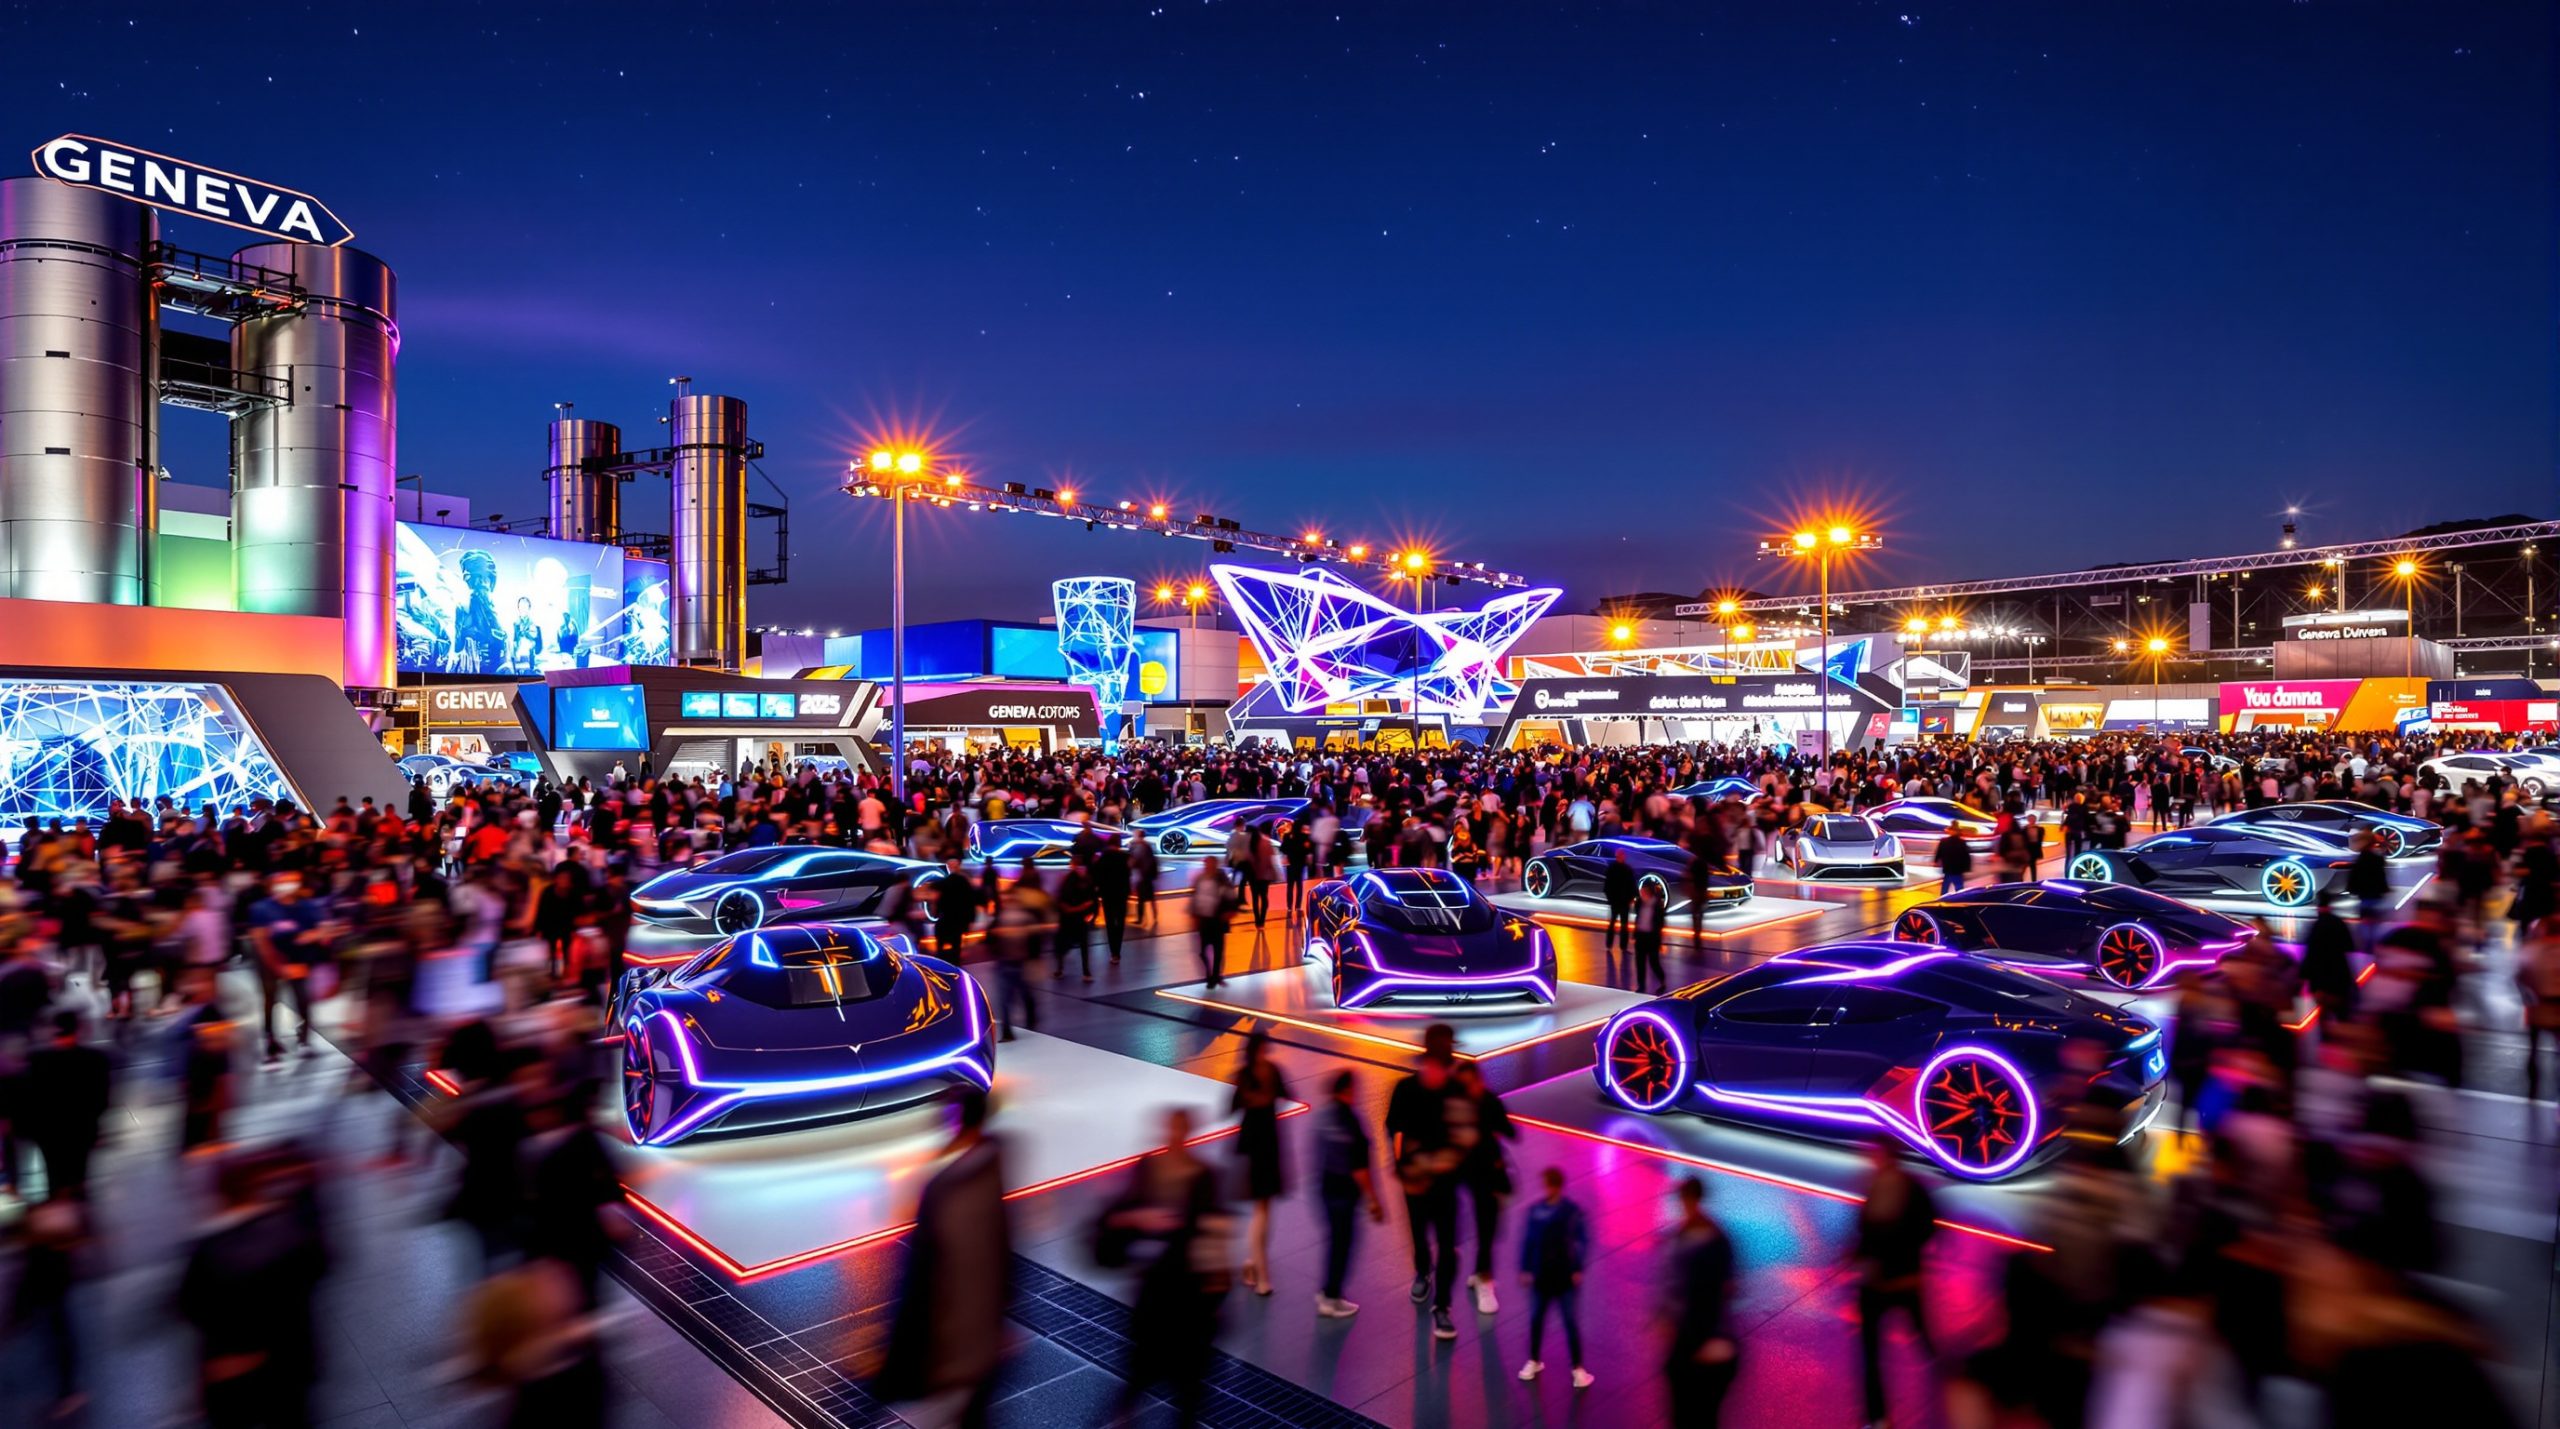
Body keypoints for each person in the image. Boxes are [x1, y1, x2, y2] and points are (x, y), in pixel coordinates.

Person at [877, 1088, 1010, 1428]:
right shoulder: (995, 1164)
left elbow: (922, 1274)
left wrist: (894, 1348)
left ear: (954, 1122)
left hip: (952, 1342)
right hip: (982, 1337)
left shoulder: (944, 1189)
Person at [1100, 1108, 1230, 1427]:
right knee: (1166, 1383)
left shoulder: (1195, 1176)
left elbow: (1213, 1237)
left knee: (1151, 1379)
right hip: (1167, 1296)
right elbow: (1213, 1235)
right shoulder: (1172, 1172)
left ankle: (1124, 1417)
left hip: (1173, 1296)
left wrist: (1215, 1287)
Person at [1852, 1140, 1939, 1429]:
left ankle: (1878, 1419)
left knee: (1874, 1353)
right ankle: (1880, 1416)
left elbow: (1870, 1232)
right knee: (1917, 1344)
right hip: (1896, 1282)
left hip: (1890, 1283)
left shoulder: (1884, 1188)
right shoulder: (1897, 1187)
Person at [1385, 1026, 1464, 1340]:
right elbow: (1392, 1128)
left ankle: (1441, 1306)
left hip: (1442, 1182)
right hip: (1418, 1181)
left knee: (1446, 1243)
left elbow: (1464, 1134)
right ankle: (1422, 1271)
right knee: (1420, 1232)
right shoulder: (1407, 1090)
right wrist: (1402, 1165)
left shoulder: (1454, 1090)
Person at [1664, 1175, 1738, 1426]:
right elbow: (1729, 1288)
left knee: (1690, 1412)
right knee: (1702, 1414)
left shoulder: (1693, 1241)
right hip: (1704, 1338)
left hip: (1699, 1337)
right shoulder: (1715, 1238)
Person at [1312, 1069, 1383, 1318]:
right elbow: (1360, 1169)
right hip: (1344, 1192)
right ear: (1347, 1090)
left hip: (1326, 1187)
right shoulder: (1351, 1121)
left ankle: (1328, 1291)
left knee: (1335, 1242)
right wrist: (1374, 1200)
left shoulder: (1324, 1116)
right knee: (1343, 1244)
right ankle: (1331, 1297)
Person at [20, 1010, 111, 1202]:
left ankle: (59, 1212)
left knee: (53, 1175)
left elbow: (27, 1099)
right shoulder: (95, 1060)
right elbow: (102, 1100)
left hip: (47, 1131)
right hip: (82, 1127)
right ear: (79, 1030)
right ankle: (79, 1209)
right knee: (79, 1172)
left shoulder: (37, 1061)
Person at [1515, 1166, 1593, 1388]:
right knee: (1537, 1320)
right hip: (1543, 1276)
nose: (1545, 1189)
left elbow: (1582, 1240)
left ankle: (1577, 1368)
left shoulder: (1570, 1212)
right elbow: (1528, 1241)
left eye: (1547, 1184)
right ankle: (1534, 1360)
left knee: (1569, 1321)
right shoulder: (1538, 1211)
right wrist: (1525, 1268)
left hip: (1563, 1276)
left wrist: (1578, 1268)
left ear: (1555, 1186)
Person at [1453, 1059, 1519, 1316]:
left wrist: (1493, 1130)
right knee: (1471, 1225)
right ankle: (1480, 1275)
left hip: (1485, 1174)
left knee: (1487, 1228)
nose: (1472, 1089)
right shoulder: (1458, 1104)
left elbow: (1511, 1132)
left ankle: (1483, 1276)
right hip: (1463, 1170)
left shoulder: (1490, 1103)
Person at [1230, 1028, 1288, 1296]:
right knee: (1261, 1210)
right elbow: (1232, 1105)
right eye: (1264, 1048)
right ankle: (1262, 1274)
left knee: (1265, 1210)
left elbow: (1285, 1092)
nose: (1267, 1052)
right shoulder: (1246, 1075)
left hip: (1270, 1145)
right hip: (1255, 1147)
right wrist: (1255, 1099)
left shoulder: (1272, 1071)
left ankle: (1252, 1263)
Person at [988, 863, 1050, 1040]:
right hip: (1010, 962)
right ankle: (1012, 1028)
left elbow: (991, 936)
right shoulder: (1017, 917)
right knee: (1010, 998)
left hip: (1015, 963)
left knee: (1016, 996)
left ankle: (1017, 1026)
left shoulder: (1013, 917)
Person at [1191, 855, 1240, 988]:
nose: (1207, 866)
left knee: (1218, 950)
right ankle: (1210, 974)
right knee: (1203, 951)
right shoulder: (1200, 879)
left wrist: (1230, 911)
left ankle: (1215, 976)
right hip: (1204, 919)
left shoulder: (1221, 880)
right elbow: (1195, 897)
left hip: (1217, 919)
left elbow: (1230, 896)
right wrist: (1194, 915)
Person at [1054, 854, 1099, 981]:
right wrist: (1089, 912)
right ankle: (1086, 972)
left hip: (1068, 918)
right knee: (1083, 945)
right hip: (1079, 918)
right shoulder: (1086, 880)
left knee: (1064, 944)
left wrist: (1069, 910)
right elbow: (1092, 900)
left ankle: (1060, 969)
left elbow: (1061, 900)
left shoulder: (1066, 880)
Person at [1093, 835, 1133, 963]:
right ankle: (1118, 952)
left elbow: (1097, 876)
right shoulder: (1125, 857)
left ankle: (1113, 953)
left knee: (1110, 922)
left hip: (1107, 894)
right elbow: (1129, 873)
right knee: (1120, 922)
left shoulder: (1102, 858)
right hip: (1121, 893)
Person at [1631, 875, 1670, 994]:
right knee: (1640, 963)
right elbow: (1638, 919)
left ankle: (1662, 981)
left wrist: (1660, 941)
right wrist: (1634, 935)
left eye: (1644, 891)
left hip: (1652, 938)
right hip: (1641, 937)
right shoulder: (1639, 903)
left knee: (1654, 962)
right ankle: (1641, 986)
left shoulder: (1657, 906)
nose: (1642, 893)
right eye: (1641, 891)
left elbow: (1660, 924)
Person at [1602, 850, 1638, 951]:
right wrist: (1631, 898)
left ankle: (1612, 945)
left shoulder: (1614, 869)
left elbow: (1607, 886)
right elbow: (1632, 885)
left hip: (1620, 901)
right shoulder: (1625, 869)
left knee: (1618, 924)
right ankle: (1620, 946)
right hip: (1620, 901)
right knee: (1621, 924)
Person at [1932, 827, 1972, 895]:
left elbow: (1939, 852)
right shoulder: (1961, 842)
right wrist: (1967, 868)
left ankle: (1943, 898)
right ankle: (1960, 899)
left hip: (1948, 866)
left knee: (1946, 885)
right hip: (1958, 868)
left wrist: (1936, 861)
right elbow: (1966, 856)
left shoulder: (1944, 841)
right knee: (1959, 887)